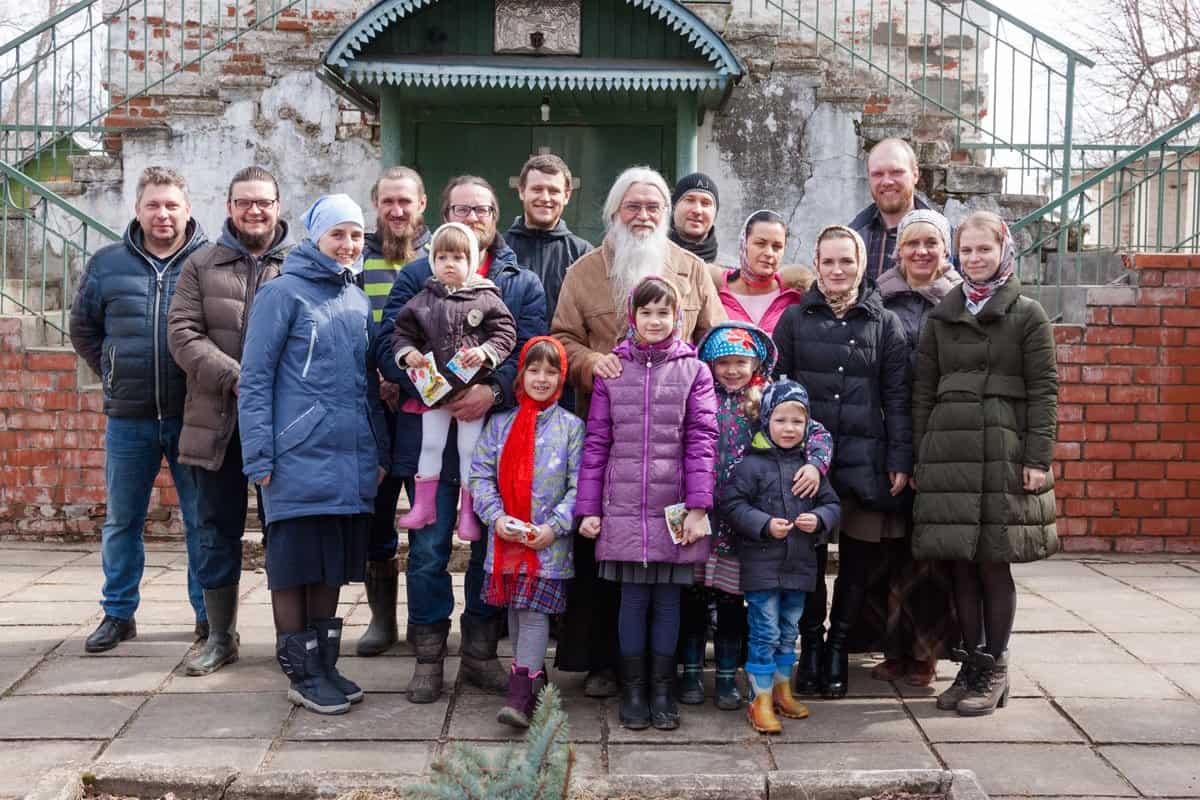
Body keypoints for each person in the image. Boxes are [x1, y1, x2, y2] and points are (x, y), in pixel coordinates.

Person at [552, 165, 726, 698]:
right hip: (609, 446)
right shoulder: (584, 272)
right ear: (613, 213)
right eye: (633, 206)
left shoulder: (692, 269)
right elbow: (561, 339)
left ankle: (667, 671)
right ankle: (609, 665)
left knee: (673, 577)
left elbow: (715, 341)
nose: (644, 215)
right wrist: (591, 363)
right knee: (607, 565)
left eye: (654, 206)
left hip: (675, 455)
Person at [375, 175, 548, 703]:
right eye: (461, 208)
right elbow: (387, 341)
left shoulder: (520, 282)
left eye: (482, 208)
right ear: (443, 213)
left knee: (488, 549)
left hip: (492, 436)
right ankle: (429, 656)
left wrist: (492, 392)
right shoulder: (415, 276)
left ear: (497, 214)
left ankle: (478, 654)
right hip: (426, 433)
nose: (472, 217)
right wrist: (426, 385)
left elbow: (529, 349)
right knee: (427, 549)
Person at [237, 194, 389, 716]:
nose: (348, 245)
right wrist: (260, 457)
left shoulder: (355, 297)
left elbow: (366, 383)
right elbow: (254, 380)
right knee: (294, 568)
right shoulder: (282, 294)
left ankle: (324, 664)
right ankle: (300, 672)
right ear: (316, 237)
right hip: (295, 456)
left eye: (355, 235)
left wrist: (378, 448)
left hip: (347, 458)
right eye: (337, 235)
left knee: (330, 566)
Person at [912, 211, 1058, 716]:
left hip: (1003, 454)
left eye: (984, 250)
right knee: (960, 569)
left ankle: (995, 666)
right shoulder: (942, 316)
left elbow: (1044, 392)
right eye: (966, 250)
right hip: (950, 453)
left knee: (993, 564)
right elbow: (922, 393)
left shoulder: (1028, 315)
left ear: (1004, 250)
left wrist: (1037, 457)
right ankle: (971, 665)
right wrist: (920, 456)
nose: (974, 259)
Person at [69, 166, 209, 653]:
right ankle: (118, 613)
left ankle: (208, 616)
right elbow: (83, 330)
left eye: (171, 204)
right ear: (138, 210)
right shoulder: (107, 264)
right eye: (153, 204)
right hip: (128, 419)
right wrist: (112, 369)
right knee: (123, 520)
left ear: (187, 209)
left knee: (201, 521)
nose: (163, 214)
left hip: (193, 416)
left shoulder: (208, 263)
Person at [772, 225, 912, 699]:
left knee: (857, 561)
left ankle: (838, 646)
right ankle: (810, 645)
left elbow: (897, 397)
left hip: (864, 460)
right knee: (807, 560)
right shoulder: (794, 320)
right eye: (829, 262)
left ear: (862, 264)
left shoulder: (884, 323)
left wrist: (899, 458)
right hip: (806, 464)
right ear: (816, 262)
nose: (837, 271)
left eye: (846, 262)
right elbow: (777, 393)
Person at [576, 276, 719, 731]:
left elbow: (702, 440)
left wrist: (699, 506)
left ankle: (662, 688)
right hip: (621, 505)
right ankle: (633, 689)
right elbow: (597, 442)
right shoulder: (613, 372)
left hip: (673, 507)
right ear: (632, 316)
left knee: (669, 602)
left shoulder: (694, 371)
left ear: (677, 318)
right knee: (632, 601)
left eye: (663, 313)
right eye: (646, 312)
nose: (654, 321)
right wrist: (590, 508)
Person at [167, 166, 292, 675]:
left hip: (282, 427)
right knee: (216, 530)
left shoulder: (299, 264)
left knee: (283, 531)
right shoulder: (200, 264)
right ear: (229, 207)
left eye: (263, 202)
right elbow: (182, 333)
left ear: (278, 205)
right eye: (245, 202)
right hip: (214, 420)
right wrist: (236, 377)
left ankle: (294, 638)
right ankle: (221, 636)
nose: (255, 211)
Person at [679, 321, 832, 711]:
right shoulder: (697, 396)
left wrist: (815, 465)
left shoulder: (763, 400)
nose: (732, 370)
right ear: (709, 363)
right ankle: (692, 670)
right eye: (724, 362)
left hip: (744, 524)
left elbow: (813, 432)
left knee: (732, 601)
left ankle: (729, 676)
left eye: (741, 362)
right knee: (693, 599)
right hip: (701, 516)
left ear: (755, 363)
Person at [468, 336, 583, 728]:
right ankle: (532, 680)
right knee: (516, 611)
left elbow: (579, 485)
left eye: (551, 372)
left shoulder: (571, 428)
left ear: (562, 378)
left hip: (547, 543)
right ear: (521, 375)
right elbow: (480, 475)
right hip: (506, 539)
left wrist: (555, 527)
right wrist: (496, 517)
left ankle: (519, 692)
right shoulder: (500, 425)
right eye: (534, 370)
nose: (542, 378)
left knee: (534, 612)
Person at [870, 209, 963, 686]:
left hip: (941, 434)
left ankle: (926, 653)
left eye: (932, 243)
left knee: (930, 554)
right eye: (912, 243)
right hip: (890, 433)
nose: (922, 252)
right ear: (897, 249)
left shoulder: (959, 301)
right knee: (895, 550)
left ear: (946, 249)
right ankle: (892, 648)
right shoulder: (879, 296)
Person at [721, 380, 841, 734]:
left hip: (799, 564)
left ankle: (781, 690)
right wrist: (762, 524)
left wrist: (818, 520)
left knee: (789, 631)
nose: (789, 429)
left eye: (797, 422)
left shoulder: (811, 468)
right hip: (762, 566)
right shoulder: (751, 466)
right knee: (765, 631)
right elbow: (731, 505)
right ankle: (759, 700)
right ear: (766, 422)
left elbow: (833, 505)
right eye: (781, 420)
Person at [392, 222, 518, 540]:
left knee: (469, 450)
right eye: (443, 256)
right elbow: (401, 332)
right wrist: (408, 354)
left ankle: (469, 514)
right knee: (431, 444)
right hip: (434, 391)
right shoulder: (423, 299)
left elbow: (507, 332)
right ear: (433, 260)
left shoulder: (486, 297)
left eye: (459, 257)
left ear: (472, 261)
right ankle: (423, 506)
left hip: (471, 392)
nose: (450, 264)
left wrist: (487, 352)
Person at [357, 166, 431, 658]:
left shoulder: (438, 259)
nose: (397, 210)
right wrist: (374, 377)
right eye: (388, 201)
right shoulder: (353, 259)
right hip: (369, 407)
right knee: (375, 515)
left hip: (422, 408)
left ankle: (427, 620)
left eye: (406, 201)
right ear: (377, 205)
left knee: (426, 516)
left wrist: (402, 377)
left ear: (421, 204)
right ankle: (382, 620)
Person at [506, 153, 593, 322]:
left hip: (565, 347)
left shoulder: (583, 254)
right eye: (537, 189)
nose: (545, 198)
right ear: (522, 192)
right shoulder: (499, 249)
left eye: (553, 191)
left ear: (566, 196)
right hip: (509, 348)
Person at [849, 138, 933, 281]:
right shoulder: (851, 237)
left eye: (896, 172)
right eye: (877, 174)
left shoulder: (944, 239)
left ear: (915, 175)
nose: (887, 181)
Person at [713, 210, 809, 334]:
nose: (769, 253)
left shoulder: (797, 297)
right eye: (760, 244)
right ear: (743, 243)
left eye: (777, 247)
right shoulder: (713, 293)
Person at [668, 172, 720, 264]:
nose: (697, 210)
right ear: (674, 207)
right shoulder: (651, 263)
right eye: (690, 200)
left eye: (705, 203)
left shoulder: (730, 273)